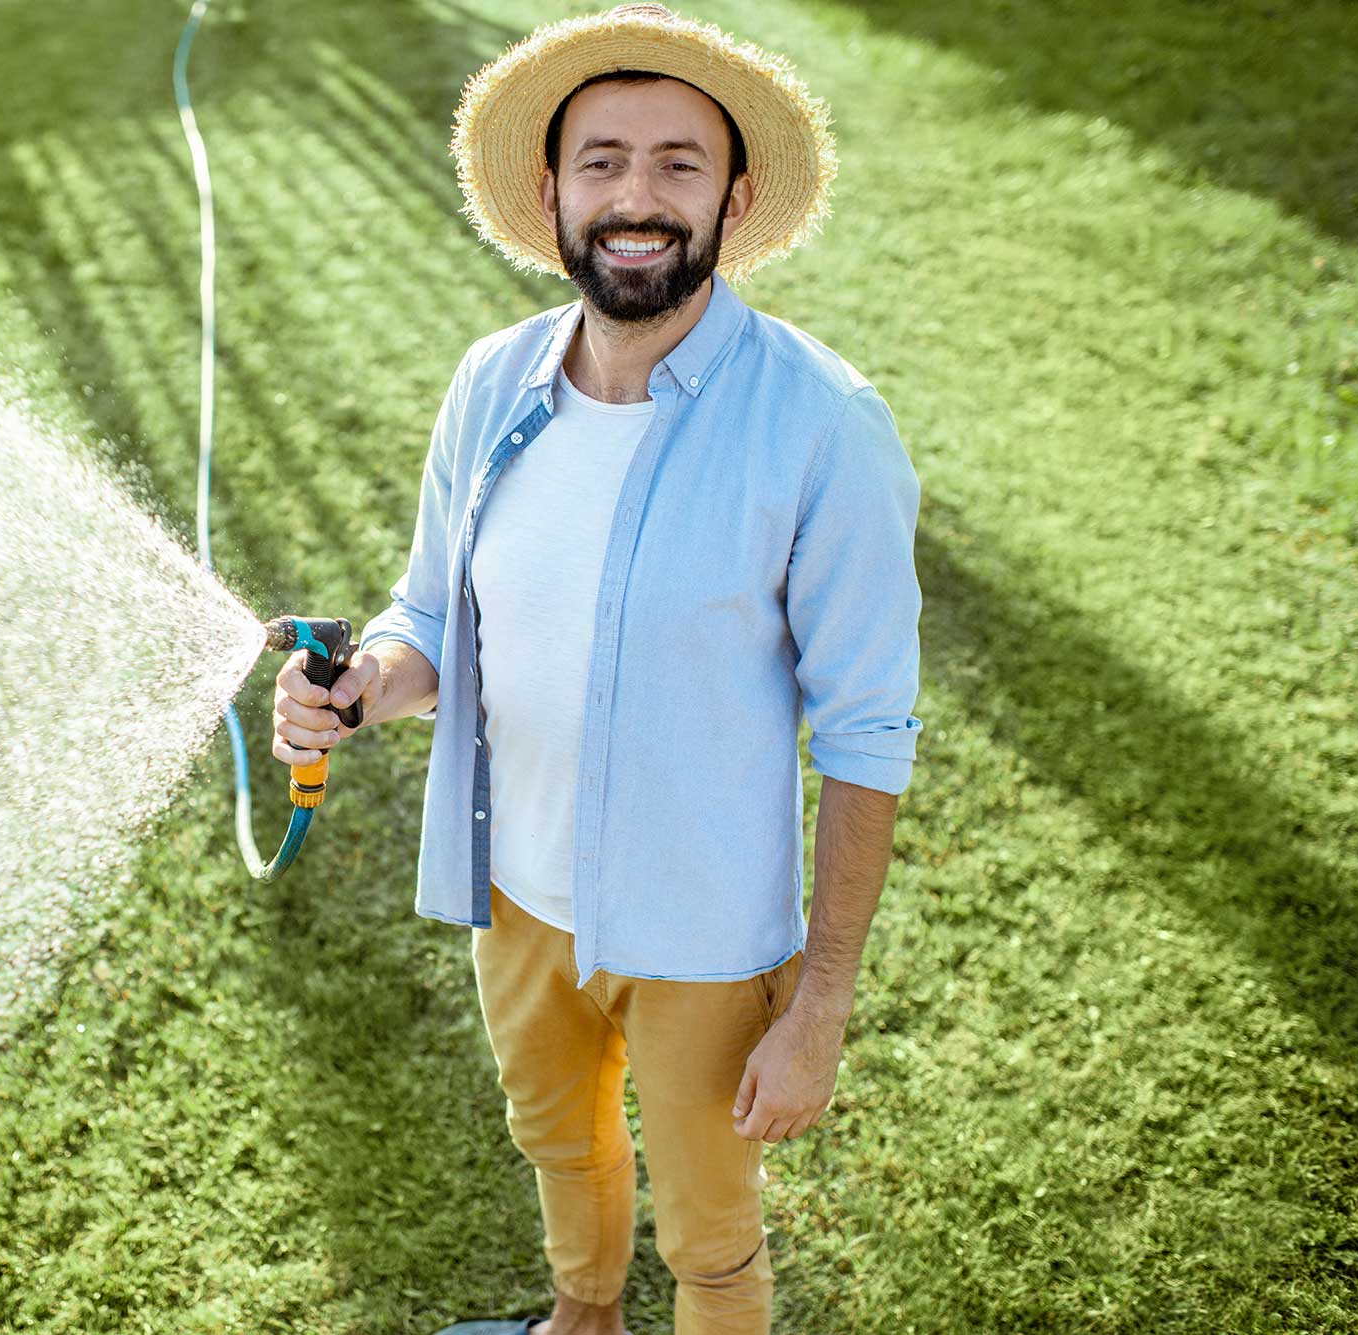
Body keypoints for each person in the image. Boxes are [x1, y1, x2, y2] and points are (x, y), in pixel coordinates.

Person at [268, 6, 923, 1333]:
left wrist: (819, 1006)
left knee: (712, 1240)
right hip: (519, 895)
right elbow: (433, 618)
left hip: (702, 934)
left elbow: (867, 731)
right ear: (549, 190)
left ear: (735, 199)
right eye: (603, 160)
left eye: (680, 164)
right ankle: (583, 1320)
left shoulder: (824, 425)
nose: (638, 197)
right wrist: (366, 683)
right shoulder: (492, 382)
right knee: (560, 1149)